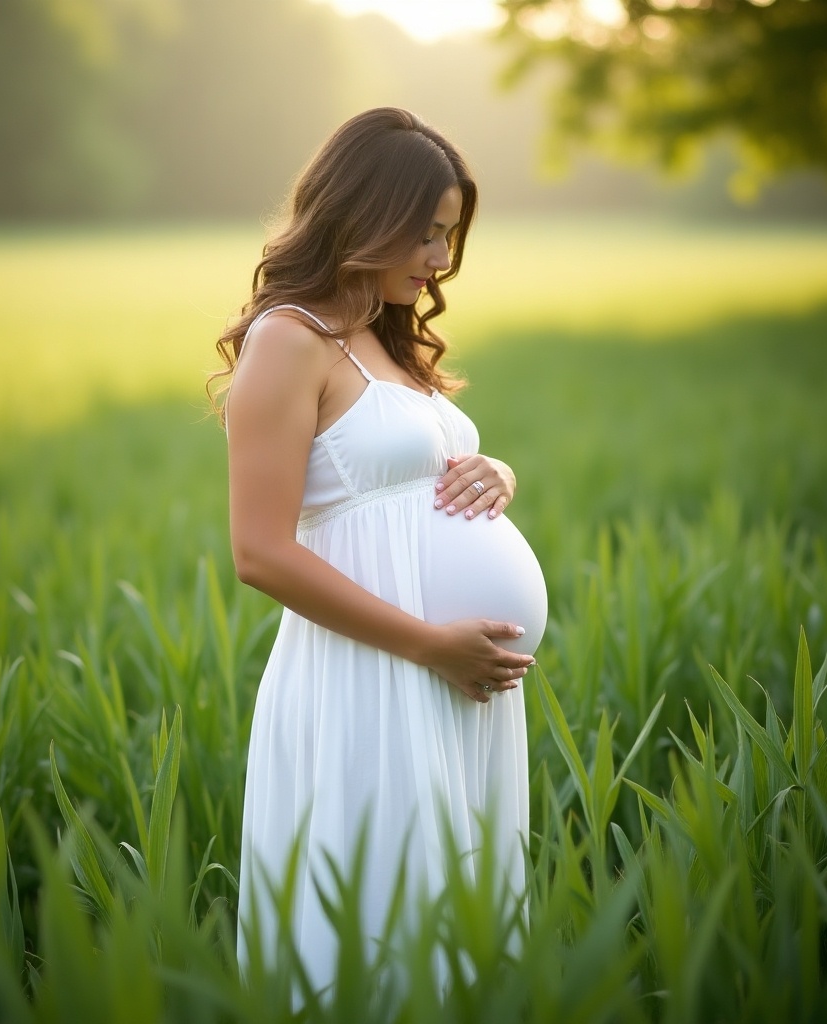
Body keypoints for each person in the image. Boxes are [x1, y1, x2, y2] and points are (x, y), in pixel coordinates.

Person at [214, 107, 548, 997]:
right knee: (379, 932)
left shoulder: (387, 340)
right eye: (426, 233)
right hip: (372, 670)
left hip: (455, 679)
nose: (440, 260)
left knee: (459, 931)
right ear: (362, 213)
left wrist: (496, 471)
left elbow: (411, 479)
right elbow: (259, 552)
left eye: (449, 236)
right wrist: (426, 642)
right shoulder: (290, 340)